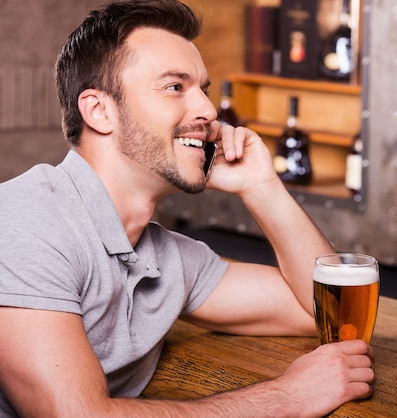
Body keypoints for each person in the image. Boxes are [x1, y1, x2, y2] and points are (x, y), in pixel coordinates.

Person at [0, 0, 375, 416]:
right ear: (100, 111)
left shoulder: (167, 258)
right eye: (175, 87)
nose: (209, 111)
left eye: (204, 89)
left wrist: (262, 187)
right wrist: (287, 397)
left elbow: (330, 315)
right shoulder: (23, 219)